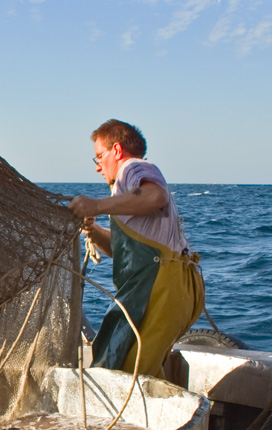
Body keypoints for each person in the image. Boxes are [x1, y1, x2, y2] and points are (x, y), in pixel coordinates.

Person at [69, 119, 204, 379]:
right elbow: (122, 252)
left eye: (99, 156)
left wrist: (96, 206)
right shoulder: (124, 193)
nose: (97, 167)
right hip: (169, 289)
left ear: (117, 151)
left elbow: (157, 197)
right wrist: (93, 230)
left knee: (127, 374)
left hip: (161, 288)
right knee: (127, 364)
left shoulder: (133, 168)